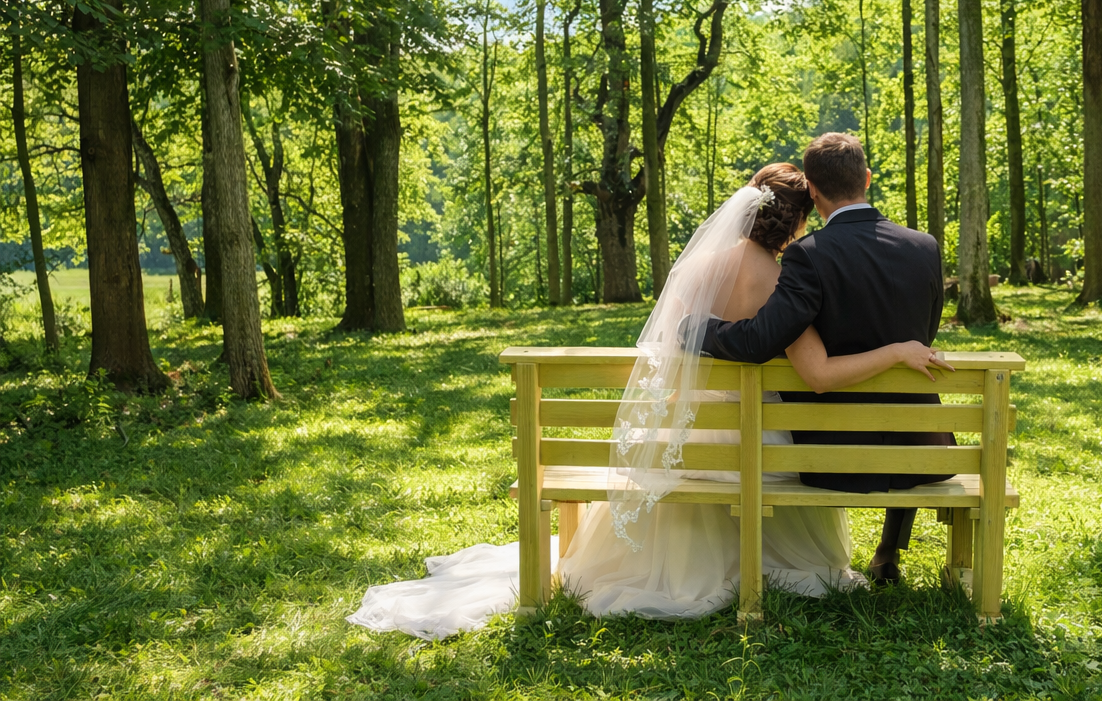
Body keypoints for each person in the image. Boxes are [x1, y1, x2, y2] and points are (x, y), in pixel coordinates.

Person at [347, 161, 946, 639]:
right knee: (777, 447)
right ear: (798, 216)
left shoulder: (705, 263)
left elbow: (684, 336)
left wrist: (692, 335)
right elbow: (801, 361)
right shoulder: (784, 275)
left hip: (691, 437)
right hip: (758, 440)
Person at [701, 133, 952, 586]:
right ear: (868, 179)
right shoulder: (925, 248)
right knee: (907, 407)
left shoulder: (808, 255)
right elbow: (923, 336)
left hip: (832, 457)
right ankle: (887, 551)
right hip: (921, 449)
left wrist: (697, 330)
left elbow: (760, 340)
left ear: (813, 191)